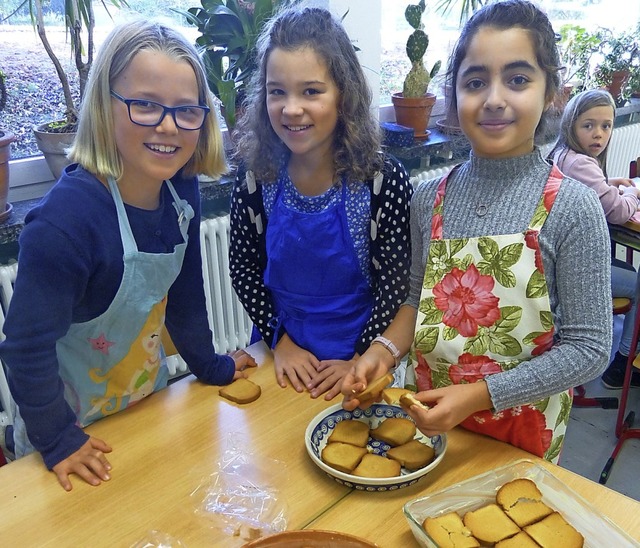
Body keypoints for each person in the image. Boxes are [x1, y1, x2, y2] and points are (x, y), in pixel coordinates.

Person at [341, 0, 612, 463]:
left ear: (552, 93)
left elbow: (590, 348)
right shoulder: (429, 199)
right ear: (454, 93)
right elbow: (415, 300)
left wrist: (478, 394)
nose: (493, 98)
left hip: (521, 433)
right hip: (424, 424)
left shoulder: (573, 207)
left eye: (518, 79)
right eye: (475, 81)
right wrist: (382, 353)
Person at [0, 19, 256, 491]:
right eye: (144, 106)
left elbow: (184, 291)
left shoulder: (180, 189)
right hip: (65, 443)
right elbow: (25, 348)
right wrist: (58, 441)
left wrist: (211, 365)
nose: (168, 126)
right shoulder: (66, 223)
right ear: (105, 105)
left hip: (142, 408)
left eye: (187, 111)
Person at [229, 7, 412, 400]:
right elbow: (243, 269)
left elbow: (397, 286)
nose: (291, 108)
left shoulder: (381, 179)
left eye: (311, 91)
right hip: (282, 356)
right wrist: (280, 342)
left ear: (343, 94)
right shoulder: (254, 177)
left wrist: (364, 356)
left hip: (358, 363)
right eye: (277, 91)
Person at [549, 89, 640, 390]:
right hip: (575, 272)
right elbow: (618, 210)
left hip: (560, 262)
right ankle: (624, 362)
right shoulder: (582, 163)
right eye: (588, 126)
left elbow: (592, 189)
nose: (599, 134)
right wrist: (633, 191)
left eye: (606, 126)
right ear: (571, 126)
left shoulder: (563, 154)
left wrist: (610, 183)